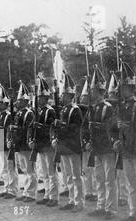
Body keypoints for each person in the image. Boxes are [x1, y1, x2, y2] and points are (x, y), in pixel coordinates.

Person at [83, 65, 118, 219]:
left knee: (109, 178)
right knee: (99, 177)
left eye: (94, 91)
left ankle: (110, 209)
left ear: (101, 92)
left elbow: (113, 128)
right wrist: (87, 141)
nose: (92, 93)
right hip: (96, 147)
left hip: (107, 147)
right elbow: (86, 128)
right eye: (92, 90)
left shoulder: (108, 108)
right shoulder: (92, 108)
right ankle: (100, 205)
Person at [51, 71, 84, 212]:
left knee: (76, 176)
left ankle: (79, 202)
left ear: (70, 95)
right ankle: (71, 199)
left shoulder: (75, 110)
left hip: (73, 145)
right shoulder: (64, 109)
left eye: (64, 94)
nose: (62, 96)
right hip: (64, 146)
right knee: (68, 175)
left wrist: (61, 125)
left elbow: (77, 128)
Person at [116, 61, 136, 221]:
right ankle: (133, 213)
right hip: (126, 148)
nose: (120, 90)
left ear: (130, 88)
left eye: (123, 87)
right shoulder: (122, 106)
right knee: (131, 183)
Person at [29, 75, 59, 207]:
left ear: (45, 98)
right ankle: (47, 194)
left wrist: (39, 126)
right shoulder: (39, 111)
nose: (39, 99)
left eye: (41, 97)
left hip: (48, 144)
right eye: (38, 97)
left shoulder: (50, 111)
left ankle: (54, 196)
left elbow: (52, 127)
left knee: (51, 173)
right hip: (41, 145)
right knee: (45, 173)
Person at [12, 81, 37, 203]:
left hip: (25, 144)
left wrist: (17, 129)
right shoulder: (19, 113)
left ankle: (31, 193)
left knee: (29, 169)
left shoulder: (29, 113)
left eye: (21, 100)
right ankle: (26, 191)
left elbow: (29, 129)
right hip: (19, 144)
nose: (18, 102)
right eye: (18, 100)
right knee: (24, 169)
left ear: (26, 101)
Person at [0, 84, 18, 199]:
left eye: (0, 103)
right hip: (0, 143)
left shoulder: (9, 115)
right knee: (3, 167)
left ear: (5, 104)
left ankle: (12, 190)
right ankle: (5, 188)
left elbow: (9, 130)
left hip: (7, 144)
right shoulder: (0, 116)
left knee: (10, 168)